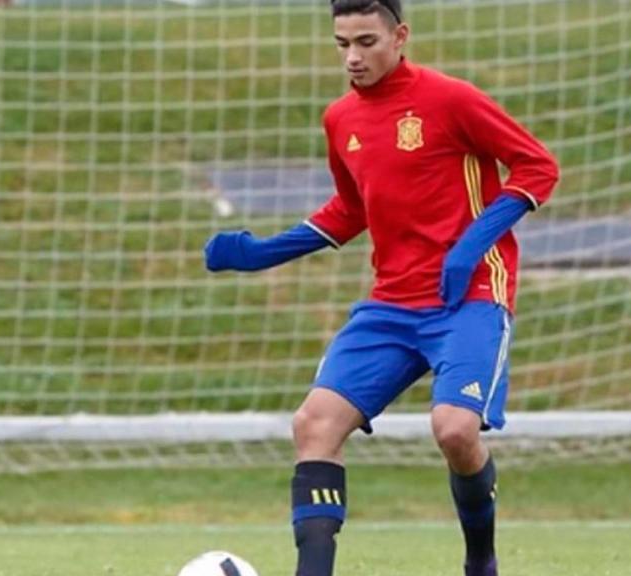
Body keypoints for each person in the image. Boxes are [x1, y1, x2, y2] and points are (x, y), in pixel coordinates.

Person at [205, 0, 558, 573]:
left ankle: (481, 563)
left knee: (454, 430)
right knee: (313, 425)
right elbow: (350, 209)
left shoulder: (451, 100)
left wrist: (471, 246)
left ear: (400, 37)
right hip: (392, 302)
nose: (353, 57)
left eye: (366, 42)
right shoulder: (340, 119)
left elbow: (537, 167)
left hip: (469, 297)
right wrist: (264, 252)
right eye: (342, 43)